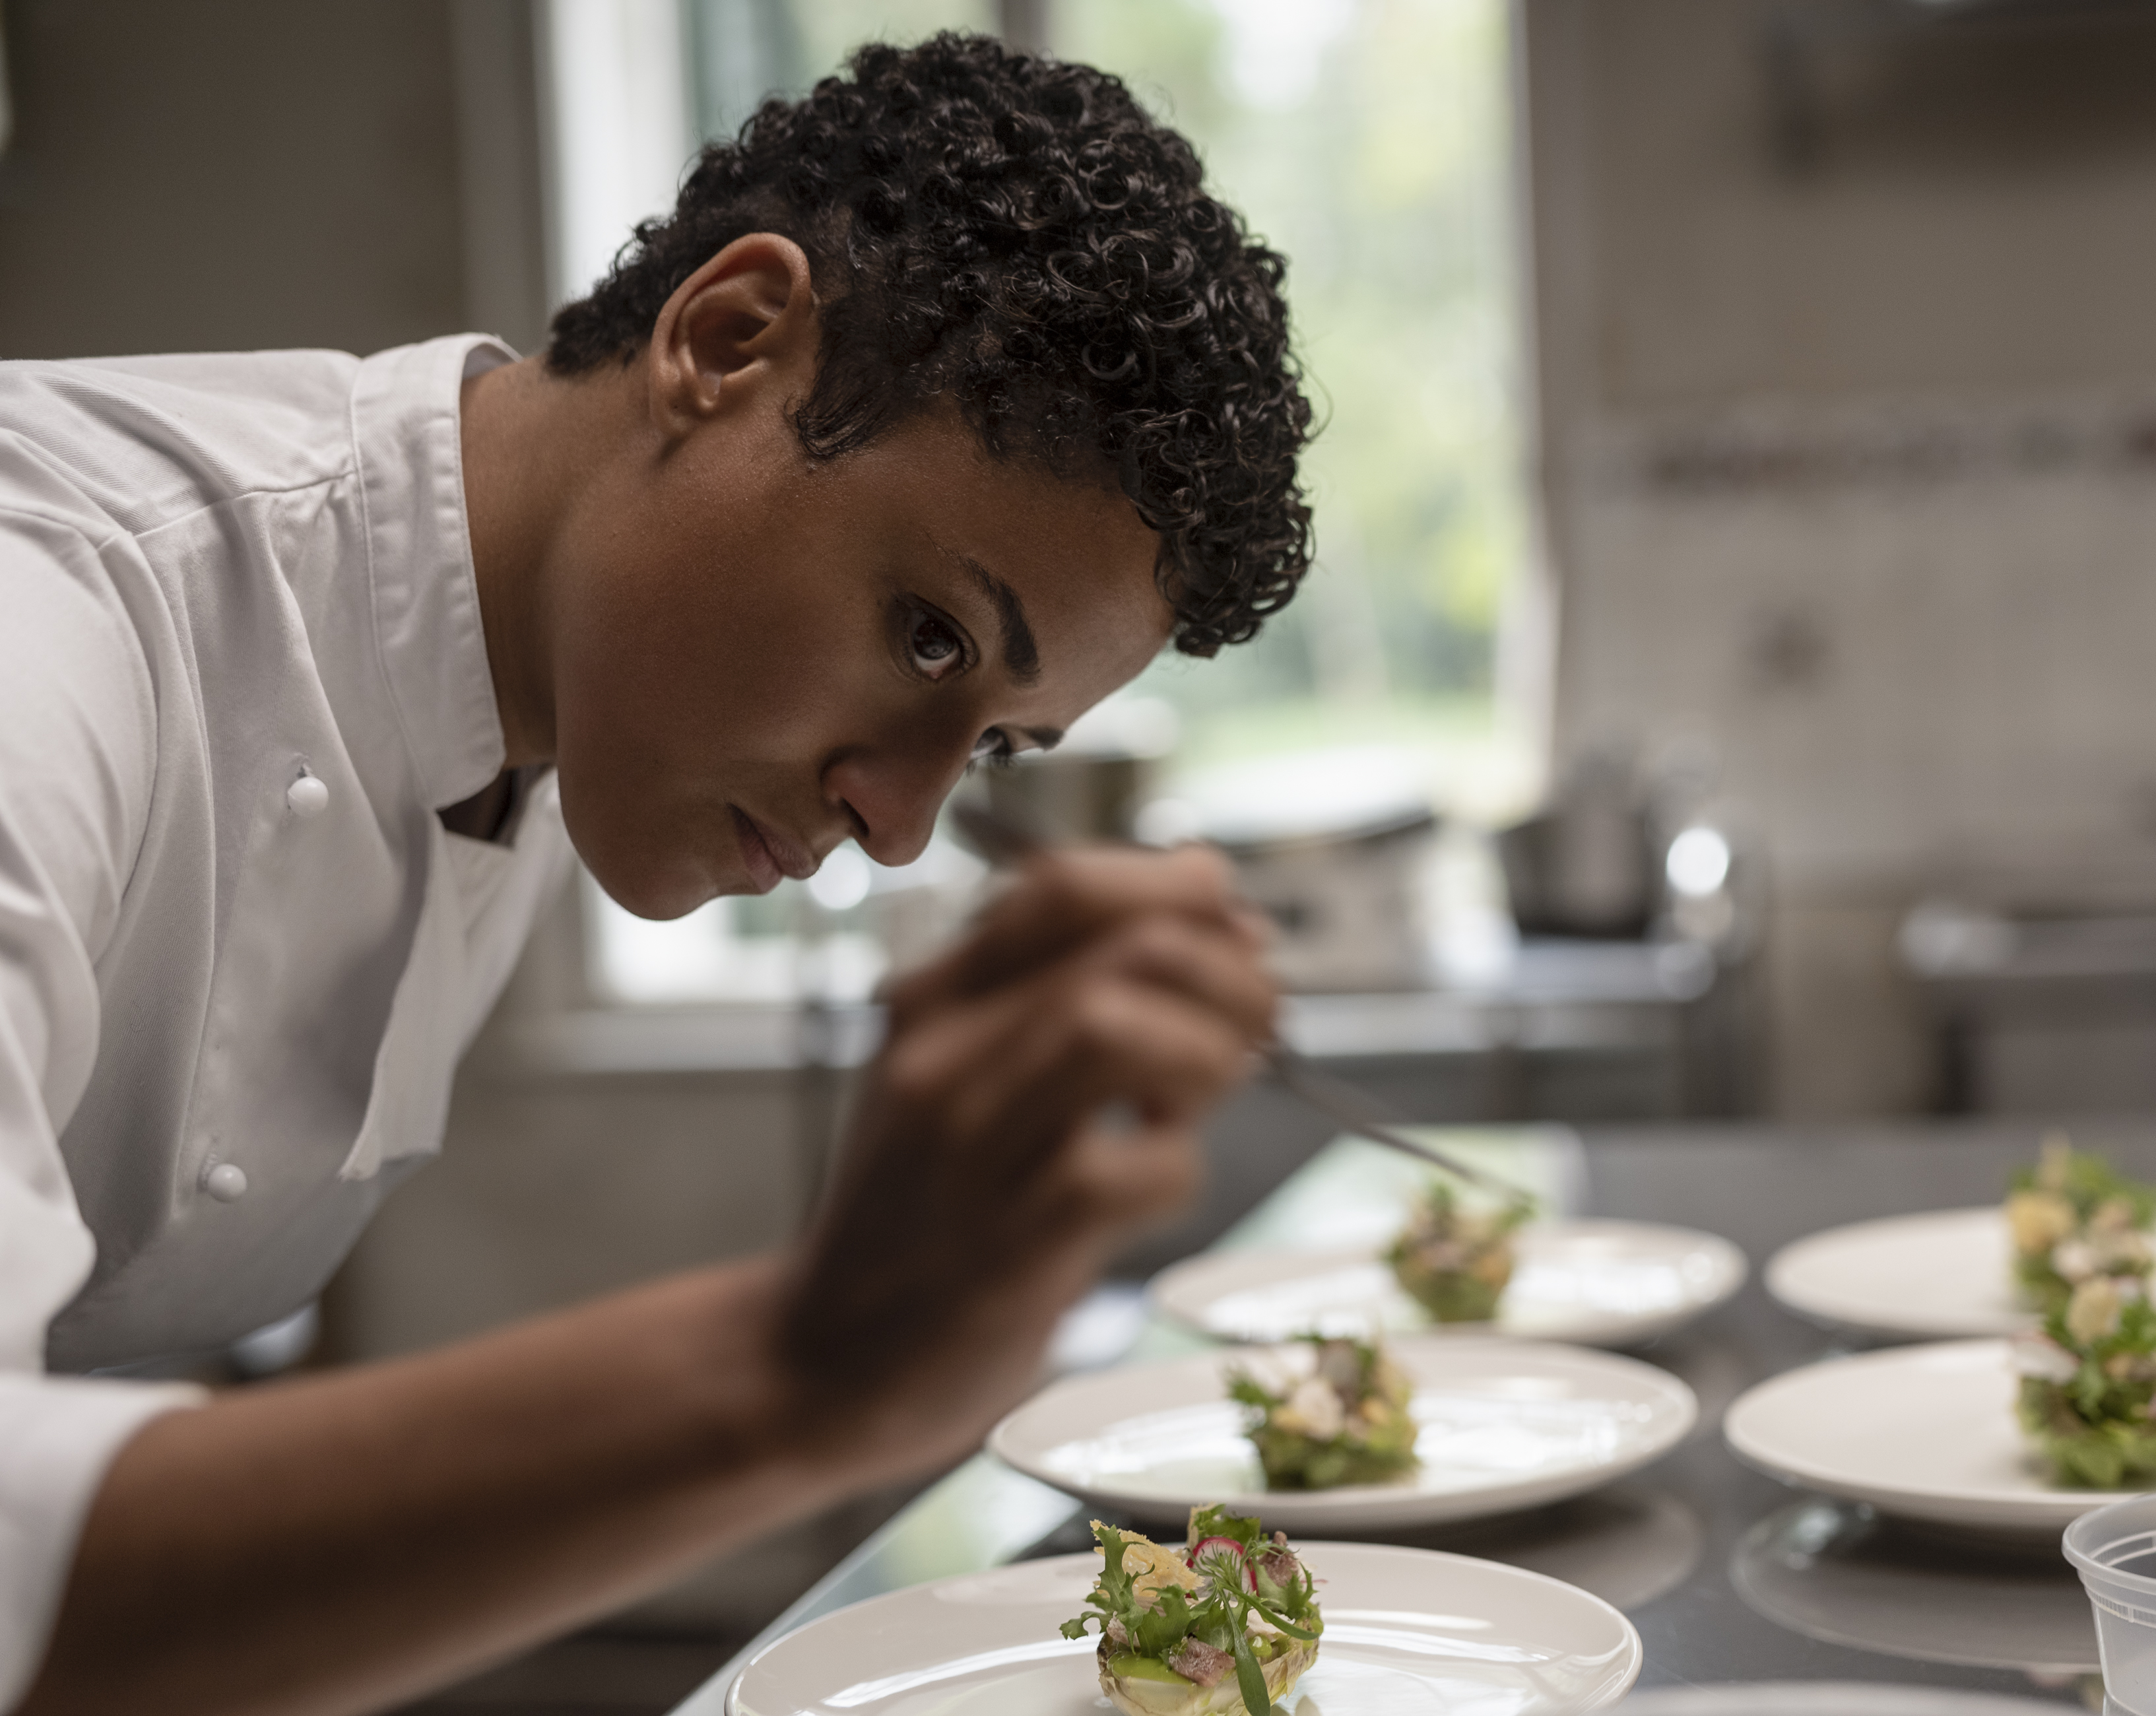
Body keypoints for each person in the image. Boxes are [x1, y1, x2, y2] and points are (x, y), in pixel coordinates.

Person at [0, 33, 1311, 1716]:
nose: (901, 824)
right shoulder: (53, 622)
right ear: (728, 338)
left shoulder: (554, 701)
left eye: (992, 746)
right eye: (929, 636)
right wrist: (803, 1372)